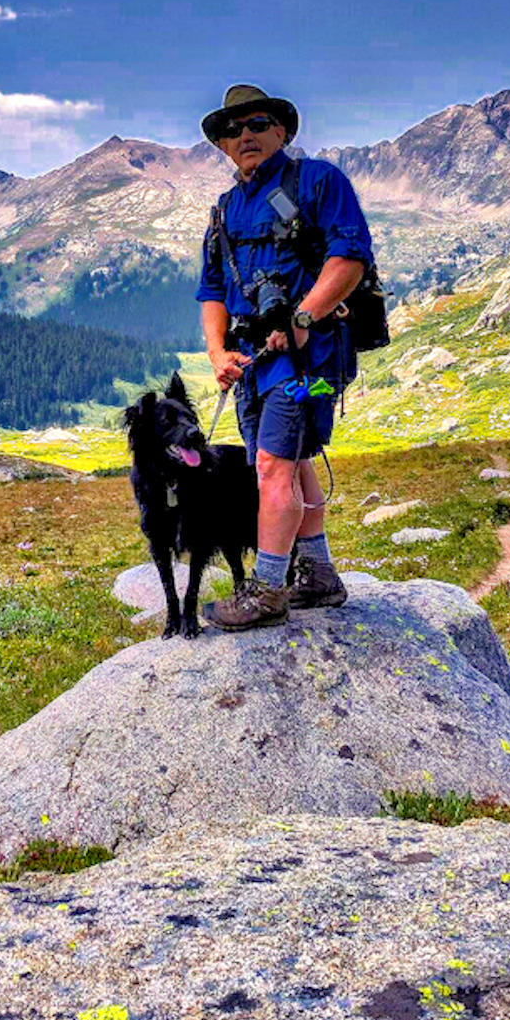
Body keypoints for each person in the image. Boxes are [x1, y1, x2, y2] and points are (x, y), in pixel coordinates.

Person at [196, 83, 374, 630]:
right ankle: (318, 574)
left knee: (273, 463)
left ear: (281, 131)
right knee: (288, 458)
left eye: (256, 124)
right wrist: (218, 352)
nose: (244, 135)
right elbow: (211, 290)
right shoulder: (226, 210)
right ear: (223, 145)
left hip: (312, 361)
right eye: (232, 129)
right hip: (254, 362)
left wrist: (302, 321)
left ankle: (269, 588)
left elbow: (350, 258)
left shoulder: (317, 181)